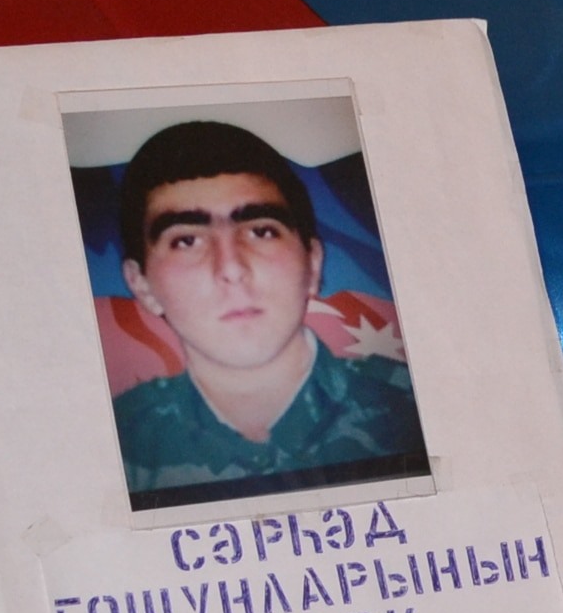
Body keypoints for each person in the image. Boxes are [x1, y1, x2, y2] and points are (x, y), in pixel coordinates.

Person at [109, 121, 427, 508]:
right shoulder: (112, 446)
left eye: (261, 231)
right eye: (186, 240)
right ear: (142, 286)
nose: (231, 267)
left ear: (313, 263)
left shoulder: (421, 410)